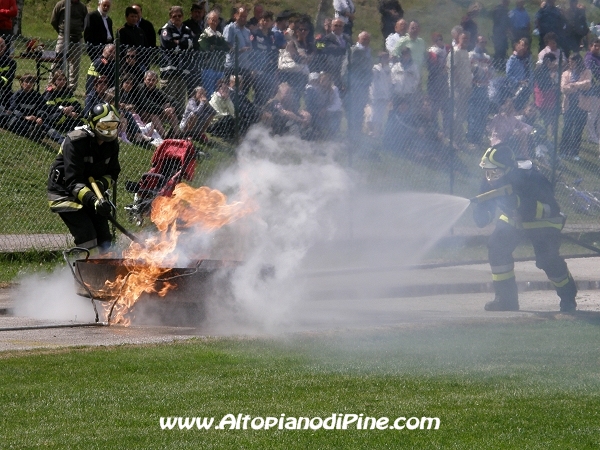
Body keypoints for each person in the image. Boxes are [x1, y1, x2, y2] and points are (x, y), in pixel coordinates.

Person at [472, 143, 577, 312]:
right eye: (487, 172)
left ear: (508, 170)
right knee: (497, 247)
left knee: (547, 260)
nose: (490, 177)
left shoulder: (532, 179)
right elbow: (486, 206)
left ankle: (568, 298)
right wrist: (482, 213)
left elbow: (552, 209)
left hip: (543, 222)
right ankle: (506, 300)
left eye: (495, 172)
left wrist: (522, 205)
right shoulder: (490, 179)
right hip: (512, 221)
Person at [47, 103, 121, 253]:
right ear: (93, 123)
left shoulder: (112, 144)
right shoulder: (75, 141)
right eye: (105, 125)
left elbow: (113, 173)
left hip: (93, 193)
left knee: (104, 239)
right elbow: (73, 181)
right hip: (65, 192)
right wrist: (95, 201)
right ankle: (81, 271)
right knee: (87, 236)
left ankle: (107, 273)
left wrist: (100, 186)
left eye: (112, 126)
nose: (109, 131)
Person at [50, 0, 88, 90]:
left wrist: (79, 30)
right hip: (63, 37)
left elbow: (86, 22)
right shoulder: (61, 4)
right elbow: (53, 20)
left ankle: (71, 88)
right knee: (57, 61)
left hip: (77, 38)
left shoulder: (82, 7)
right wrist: (61, 31)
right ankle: (52, 84)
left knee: (74, 65)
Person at [560, 53, 591, 160]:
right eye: (569, 61)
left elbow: (588, 84)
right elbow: (563, 88)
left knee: (578, 130)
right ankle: (563, 151)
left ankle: (574, 153)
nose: (570, 63)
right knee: (567, 128)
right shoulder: (565, 74)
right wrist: (578, 86)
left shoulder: (587, 72)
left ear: (578, 62)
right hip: (569, 104)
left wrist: (574, 85)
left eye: (572, 62)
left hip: (582, 105)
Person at [346, 31, 372, 137]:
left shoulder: (368, 51)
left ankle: (358, 132)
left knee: (360, 109)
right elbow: (348, 66)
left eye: (367, 39)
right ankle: (351, 132)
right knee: (353, 109)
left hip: (364, 85)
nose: (365, 41)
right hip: (354, 84)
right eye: (363, 39)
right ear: (358, 39)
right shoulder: (354, 50)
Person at [198, 9, 229, 97]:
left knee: (220, 92)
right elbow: (205, 48)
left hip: (219, 68)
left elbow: (226, 48)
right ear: (208, 21)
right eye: (212, 19)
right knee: (210, 93)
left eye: (216, 20)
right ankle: (210, 110)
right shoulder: (204, 34)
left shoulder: (219, 35)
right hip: (208, 68)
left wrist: (214, 47)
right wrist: (219, 48)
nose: (214, 22)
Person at [250, 10, 278, 106]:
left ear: (271, 22)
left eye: (268, 20)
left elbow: (275, 52)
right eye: (264, 20)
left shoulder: (272, 36)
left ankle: (267, 115)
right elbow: (251, 51)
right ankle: (257, 114)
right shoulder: (255, 34)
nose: (265, 22)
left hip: (270, 69)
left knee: (269, 93)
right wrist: (253, 68)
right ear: (260, 21)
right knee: (259, 93)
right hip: (258, 69)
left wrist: (275, 69)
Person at [43, 69, 84, 134]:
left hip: (68, 114)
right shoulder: (50, 92)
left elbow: (77, 104)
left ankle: (72, 125)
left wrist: (71, 108)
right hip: (55, 115)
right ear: (54, 81)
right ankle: (72, 125)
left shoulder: (67, 91)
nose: (62, 81)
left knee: (82, 113)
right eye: (59, 79)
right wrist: (64, 110)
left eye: (64, 80)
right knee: (59, 116)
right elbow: (50, 107)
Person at [584, 38, 600, 144]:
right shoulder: (589, 58)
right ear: (590, 46)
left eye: (599, 46)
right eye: (595, 46)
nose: (597, 48)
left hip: (598, 89)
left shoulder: (598, 57)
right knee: (592, 114)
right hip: (592, 90)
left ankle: (597, 134)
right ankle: (591, 136)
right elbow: (591, 74)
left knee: (598, 114)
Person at [491, 0, 510, 71]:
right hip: (498, 32)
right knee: (498, 49)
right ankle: (495, 65)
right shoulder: (497, 9)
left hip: (504, 33)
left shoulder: (506, 10)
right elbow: (497, 20)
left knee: (503, 50)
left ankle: (502, 66)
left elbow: (507, 22)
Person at [0, 36, 16, 111]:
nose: (0, 48)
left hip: (4, 92)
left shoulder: (11, 62)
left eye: (2, 46)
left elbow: (7, 80)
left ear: (5, 47)